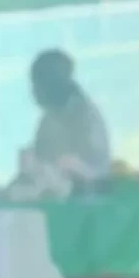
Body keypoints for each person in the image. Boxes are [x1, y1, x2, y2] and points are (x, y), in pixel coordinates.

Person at [24, 48, 112, 183]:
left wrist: (74, 167)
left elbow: (99, 171)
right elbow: (41, 159)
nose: (33, 91)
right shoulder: (48, 119)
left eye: (37, 84)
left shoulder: (86, 116)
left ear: (52, 85)